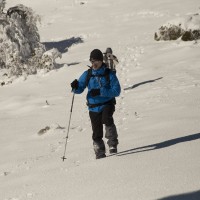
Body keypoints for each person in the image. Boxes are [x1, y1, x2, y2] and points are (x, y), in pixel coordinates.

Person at [70, 49, 121, 159]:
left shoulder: (109, 74)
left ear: (101, 61)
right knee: (96, 131)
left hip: (107, 103)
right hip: (93, 108)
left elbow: (117, 91)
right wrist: (75, 86)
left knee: (107, 119)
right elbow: (79, 89)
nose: (94, 64)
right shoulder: (87, 74)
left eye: (96, 61)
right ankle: (99, 151)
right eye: (92, 61)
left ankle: (112, 144)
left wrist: (101, 91)